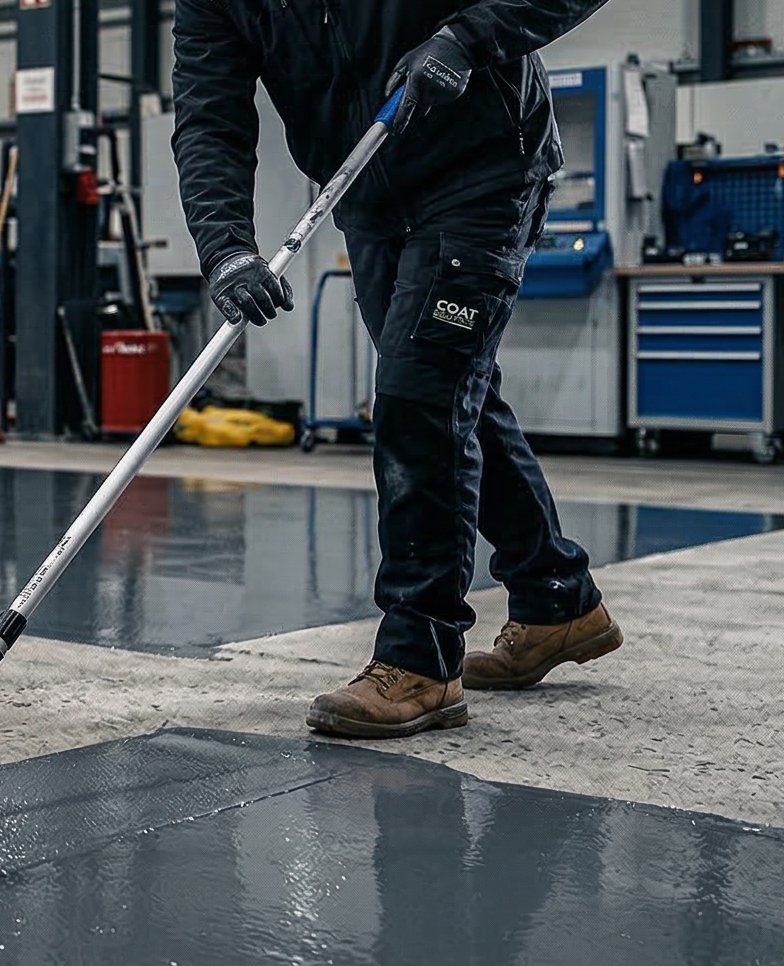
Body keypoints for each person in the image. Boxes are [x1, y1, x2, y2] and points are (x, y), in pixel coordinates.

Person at [172, 0, 623, 739]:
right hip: (370, 196)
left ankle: (421, 658)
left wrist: (466, 38)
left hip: (483, 169)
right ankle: (557, 598)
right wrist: (225, 247)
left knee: (418, 400)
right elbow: (209, 119)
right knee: (448, 399)